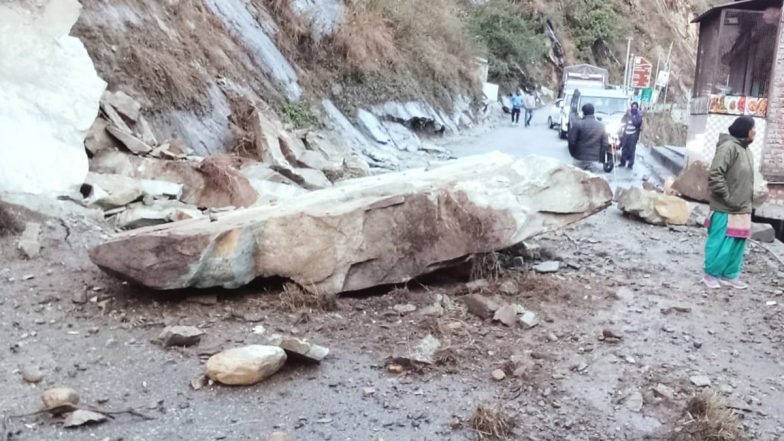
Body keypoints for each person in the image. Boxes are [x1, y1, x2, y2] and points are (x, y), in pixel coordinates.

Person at [703, 116, 756, 290]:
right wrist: (728, 197)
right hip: (726, 207)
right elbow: (716, 175)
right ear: (744, 130)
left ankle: (729, 275)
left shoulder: (746, 150)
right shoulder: (728, 148)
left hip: (742, 207)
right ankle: (711, 274)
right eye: (752, 128)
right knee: (720, 242)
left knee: (737, 244)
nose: (754, 132)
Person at [568, 103, 609, 172]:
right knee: (593, 181)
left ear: (583, 112)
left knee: (577, 181)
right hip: (594, 160)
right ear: (593, 112)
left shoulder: (578, 124)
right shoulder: (601, 126)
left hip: (579, 159)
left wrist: (573, 154)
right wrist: (600, 158)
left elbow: (571, 141)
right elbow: (605, 144)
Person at [619, 102, 643, 169]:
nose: (633, 108)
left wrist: (631, 116)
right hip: (626, 133)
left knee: (631, 150)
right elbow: (622, 121)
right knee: (624, 149)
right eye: (633, 107)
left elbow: (637, 123)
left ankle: (630, 164)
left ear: (637, 108)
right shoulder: (628, 114)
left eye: (635, 107)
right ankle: (622, 162)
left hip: (633, 134)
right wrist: (626, 115)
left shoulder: (639, 115)